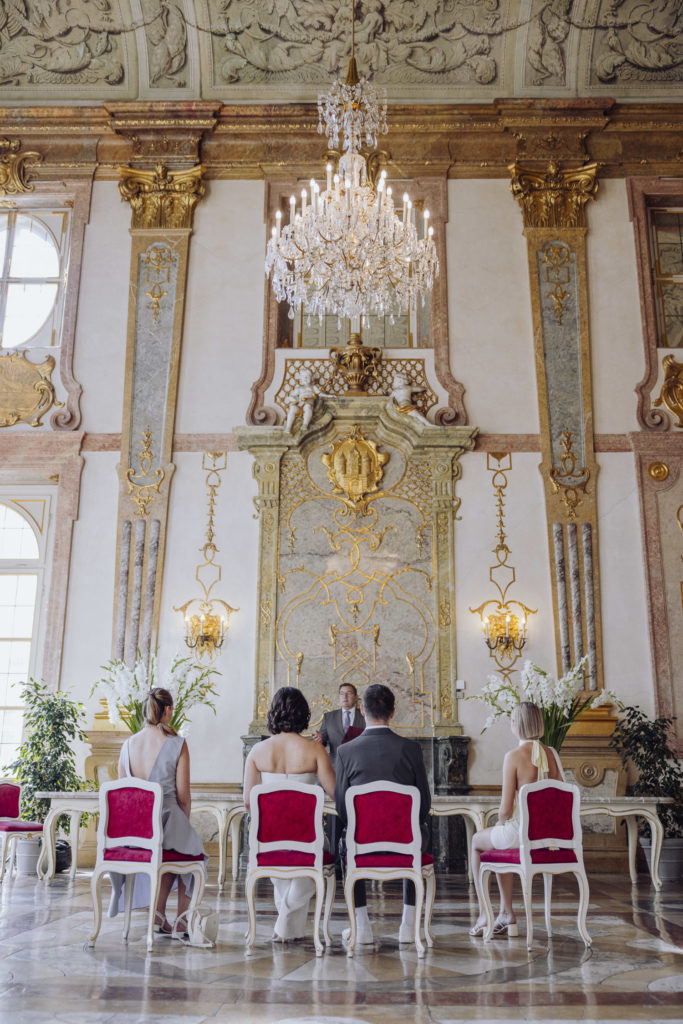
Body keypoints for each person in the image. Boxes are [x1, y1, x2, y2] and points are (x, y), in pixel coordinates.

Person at [335, 683, 432, 945]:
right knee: (418, 833)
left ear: (362, 710)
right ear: (393, 712)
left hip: (360, 843)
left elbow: (342, 807)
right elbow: (424, 803)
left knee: (346, 841)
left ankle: (361, 928)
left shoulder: (345, 752)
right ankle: (408, 926)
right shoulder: (411, 749)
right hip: (407, 842)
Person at [112, 687, 207, 935]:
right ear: (168, 710)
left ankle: (158, 914)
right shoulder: (177, 743)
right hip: (167, 819)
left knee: (172, 850)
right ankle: (183, 920)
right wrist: (184, 825)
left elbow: (124, 793)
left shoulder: (128, 745)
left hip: (134, 830)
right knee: (192, 853)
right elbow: (183, 797)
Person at [244, 686, 335, 941]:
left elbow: (249, 801)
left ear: (273, 713)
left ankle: (285, 928)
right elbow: (335, 792)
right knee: (312, 859)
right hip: (308, 837)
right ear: (303, 714)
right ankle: (286, 927)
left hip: (268, 838)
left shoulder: (257, 751)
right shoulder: (315, 750)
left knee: (283, 861)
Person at [468, 701, 564, 937]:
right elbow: (561, 796)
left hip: (521, 833)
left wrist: (500, 823)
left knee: (477, 841)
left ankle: (486, 914)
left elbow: (505, 809)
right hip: (547, 835)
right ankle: (505, 914)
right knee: (499, 844)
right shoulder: (552, 754)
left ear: (515, 725)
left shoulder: (513, 756)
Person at [312, 682, 365, 766]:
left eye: (349, 693)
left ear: (356, 697)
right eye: (342, 694)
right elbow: (323, 740)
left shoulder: (365, 716)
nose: (345, 697)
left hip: (359, 764)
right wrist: (320, 739)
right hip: (336, 765)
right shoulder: (329, 717)